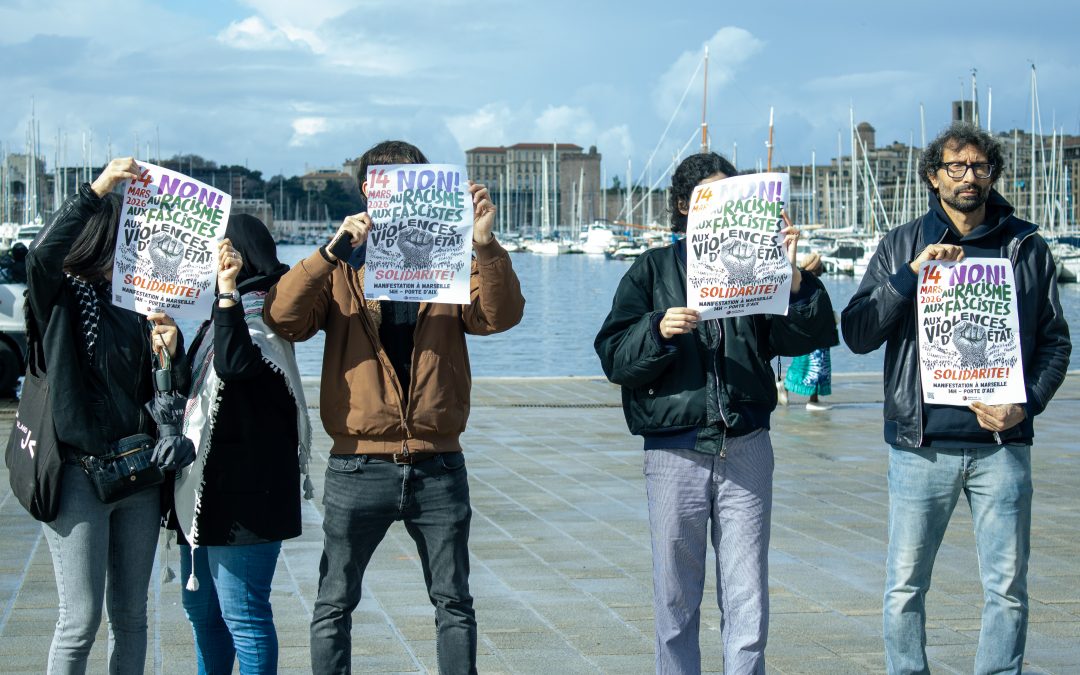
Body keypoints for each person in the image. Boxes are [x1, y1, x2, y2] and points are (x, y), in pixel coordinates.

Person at [263, 139, 525, 674]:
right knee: (334, 603)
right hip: (357, 461)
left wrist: (485, 244)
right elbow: (283, 318)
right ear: (368, 190)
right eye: (393, 182)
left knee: (454, 603)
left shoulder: (453, 253)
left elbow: (499, 317)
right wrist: (330, 252)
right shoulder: (340, 262)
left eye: (418, 182)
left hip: (438, 461)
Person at [594, 152, 838, 674]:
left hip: (746, 444)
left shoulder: (760, 262)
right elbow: (614, 357)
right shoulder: (651, 269)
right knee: (674, 597)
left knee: (748, 596)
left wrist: (797, 285)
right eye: (710, 194)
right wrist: (657, 330)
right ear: (684, 205)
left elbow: (809, 336)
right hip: (673, 449)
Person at [841, 121, 1071, 674]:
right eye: (957, 167)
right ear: (933, 176)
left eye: (980, 167)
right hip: (921, 446)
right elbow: (858, 332)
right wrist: (907, 278)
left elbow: (1056, 344)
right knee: (904, 587)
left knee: (1008, 589)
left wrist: (1027, 405)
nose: (970, 177)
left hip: (1003, 444)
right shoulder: (901, 243)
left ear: (992, 174)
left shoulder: (1025, 245)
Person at [26, 157, 181, 673]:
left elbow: (160, 398)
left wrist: (167, 354)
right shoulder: (62, 300)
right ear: (103, 237)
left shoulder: (141, 304)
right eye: (129, 235)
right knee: (80, 620)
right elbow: (41, 259)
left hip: (137, 473)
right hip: (76, 472)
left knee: (132, 615)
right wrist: (97, 190)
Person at [158, 214, 311, 673]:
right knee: (202, 615)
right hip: (204, 493)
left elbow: (236, 366)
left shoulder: (267, 314)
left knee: (244, 617)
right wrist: (171, 345)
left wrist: (226, 292)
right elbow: (200, 394)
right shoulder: (222, 315)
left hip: (248, 500)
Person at [783, 252, 835, 411]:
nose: (822, 269)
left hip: (812, 331)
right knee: (814, 364)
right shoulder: (809, 283)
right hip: (814, 332)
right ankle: (812, 399)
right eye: (819, 266)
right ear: (815, 267)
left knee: (806, 364)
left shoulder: (803, 281)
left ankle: (809, 396)